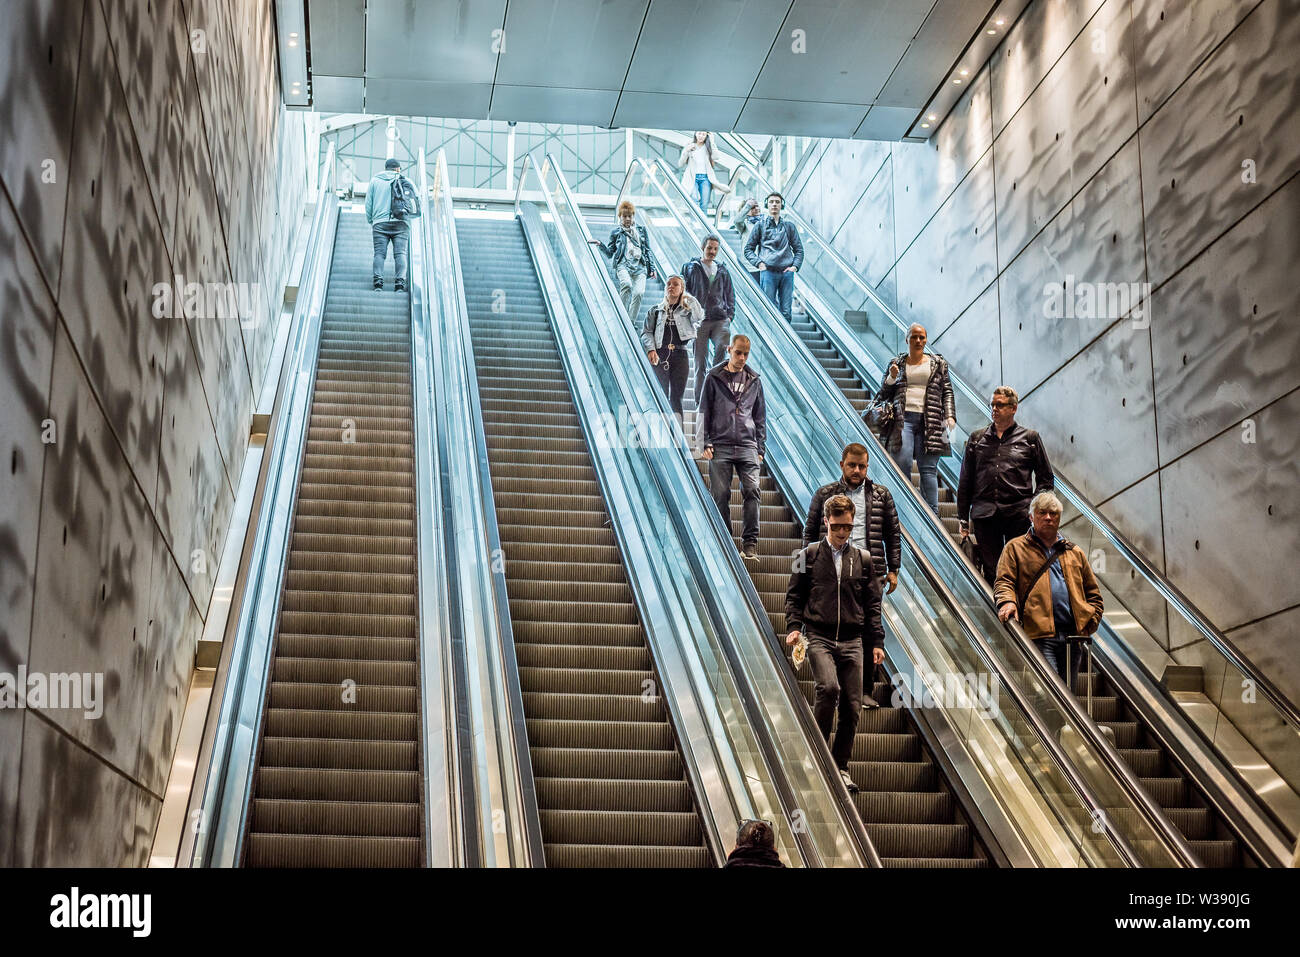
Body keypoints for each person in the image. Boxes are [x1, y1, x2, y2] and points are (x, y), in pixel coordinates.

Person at [785, 495, 885, 793]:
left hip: (854, 640)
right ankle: (818, 755)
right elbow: (794, 596)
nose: (843, 532)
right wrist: (793, 627)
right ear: (826, 521)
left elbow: (873, 604)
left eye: (848, 527)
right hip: (819, 636)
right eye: (838, 526)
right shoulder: (808, 554)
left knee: (853, 706)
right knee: (828, 689)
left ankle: (840, 766)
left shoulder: (863, 559)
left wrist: (876, 641)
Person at [994, 492, 1104, 691]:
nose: (1048, 517)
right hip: (1039, 635)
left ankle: (1065, 723)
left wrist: (1090, 621)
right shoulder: (1015, 548)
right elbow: (1004, 581)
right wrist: (1007, 602)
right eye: (1042, 513)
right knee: (1051, 691)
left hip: (1073, 638)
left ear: (1059, 518)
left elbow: (1093, 594)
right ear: (1031, 517)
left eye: (1053, 513)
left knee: (1068, 695)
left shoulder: (1074, 552)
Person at [958, 386, 1056, 585]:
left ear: (1013, 408)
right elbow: (965, 480)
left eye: (1000, 405)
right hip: (985, 515)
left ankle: (1017, 612)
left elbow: (1046, 479)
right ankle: (996, 614)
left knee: (1019, 569)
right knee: (992, 570)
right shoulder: (977, 439)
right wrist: (962, 517)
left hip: (1018, 515)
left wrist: (1034, 508)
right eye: (993, 404)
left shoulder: (1030, 439)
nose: (994, 409)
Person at [698, 334, 766, 562]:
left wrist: (761, 448)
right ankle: (726, 540)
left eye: (746, 354)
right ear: (729, 350)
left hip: (747, 444)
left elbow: (760, 417)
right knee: (720, 493)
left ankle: (750, 544)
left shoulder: (754, 380)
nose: (742, 358)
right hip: (721, 443)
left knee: (752, 490)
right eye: (738, 352)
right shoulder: (714, 377)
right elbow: (703, 411)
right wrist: (704, 441)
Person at [876, 323, 955, 514]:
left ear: (926, 339)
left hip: (932, 421)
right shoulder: (897, 363)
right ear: (907, 340)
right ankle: (903, 512)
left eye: (922, 337)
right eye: (914, 337)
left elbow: (947, 391)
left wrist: (950, 415)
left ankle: (932, 515)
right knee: (901, 464)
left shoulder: (938, 363)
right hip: (903, 420)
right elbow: (883, 393)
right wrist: (892, 378)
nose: (918, 341)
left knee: (928, 468)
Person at [804, 443, 900, 596]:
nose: (857, 470)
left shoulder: (882, 495)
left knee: (871, 619)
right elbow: (810, 533)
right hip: (830, 570)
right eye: (852, 465)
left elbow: (893, 534)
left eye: (861, 466)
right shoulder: (824, 494)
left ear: (867, 466)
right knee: (832, 618)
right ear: (842, 465)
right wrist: (807, 569)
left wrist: (893, 569)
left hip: (870, 571)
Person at [680, 235, 735, 406]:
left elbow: (730, 294)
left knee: (721, 349)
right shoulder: (691, 268)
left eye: (715, 249)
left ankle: (714, 395)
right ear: (703, 247)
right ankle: (699, 402)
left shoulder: (723, 270)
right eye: (709, 248)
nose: (712, 252)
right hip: (700, 321)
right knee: (700, 362)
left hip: (720, 319)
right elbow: (683, 292)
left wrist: (730, 315)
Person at [642, 275, 703, 427]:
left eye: (675, 284)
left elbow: (699, 317)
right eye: (668, 284)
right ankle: (659, 430)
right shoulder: (655, 311)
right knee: (660, 394)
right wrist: (650, 349)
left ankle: (678, 437)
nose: (671, 286)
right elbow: (646, 331)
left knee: (677, 398)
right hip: (660, 355)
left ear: (682, 289)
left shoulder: (688, 311)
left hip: (681, 356)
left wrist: (690, 300)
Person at [589, 200, 657, 325]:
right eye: (624, 216)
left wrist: (652, 268)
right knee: (627, 284)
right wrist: (600, 244)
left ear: (633, 216)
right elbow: (610, 253)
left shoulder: (641, 230)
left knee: (639, 292)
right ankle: (622, 317)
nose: (627, 219)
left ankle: (630, 322)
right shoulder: (616, 233)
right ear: (620, 217)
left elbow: (647, 250)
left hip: (640, 266)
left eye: (629, 216)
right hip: (623, 265)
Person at [744, 192, 803, 321]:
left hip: (787, 273)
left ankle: (786, 341)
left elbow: (799, 250)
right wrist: (759, 264)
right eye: (771, 202)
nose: (774, 204)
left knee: (786, 312)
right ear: (767, 205)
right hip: (768, 272)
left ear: (781, 205)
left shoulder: (789, 226)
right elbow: (748, 249)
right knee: (768, 310)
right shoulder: (760, 225)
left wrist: (795, 267)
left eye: (777, 202)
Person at [365, 158, 410, 292]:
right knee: (400, 253)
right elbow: (415, 201)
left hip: (380, 223)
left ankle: (378, 282)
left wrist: (371, 220)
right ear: (397, 169)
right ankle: (399, 284)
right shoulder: (405, 180)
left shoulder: (375, 181)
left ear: (386, 169)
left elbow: (368, 204)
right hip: (401, 222)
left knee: (379, 253)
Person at [680, 131, 719, 212]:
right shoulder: (690, 145)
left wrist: (712, 142)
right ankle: (694, 222)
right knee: (693, 199)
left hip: (705, 178)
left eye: (703, 134)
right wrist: (686, 151)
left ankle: (703, 224)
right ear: (695, 134)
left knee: (704, 203)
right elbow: (681, 163)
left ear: (706, 136)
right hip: (692, 178)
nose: (701, 136)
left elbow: (716, 157)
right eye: (699, 133)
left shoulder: (708, 146)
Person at [732, 197, 763, 285]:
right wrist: (748, 205)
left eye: (757, 206)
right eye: (753, 207)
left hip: (765, 266)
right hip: (751, 267)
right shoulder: (744, 225)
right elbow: (737, 220)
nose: (756, 209)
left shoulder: (765, 223)